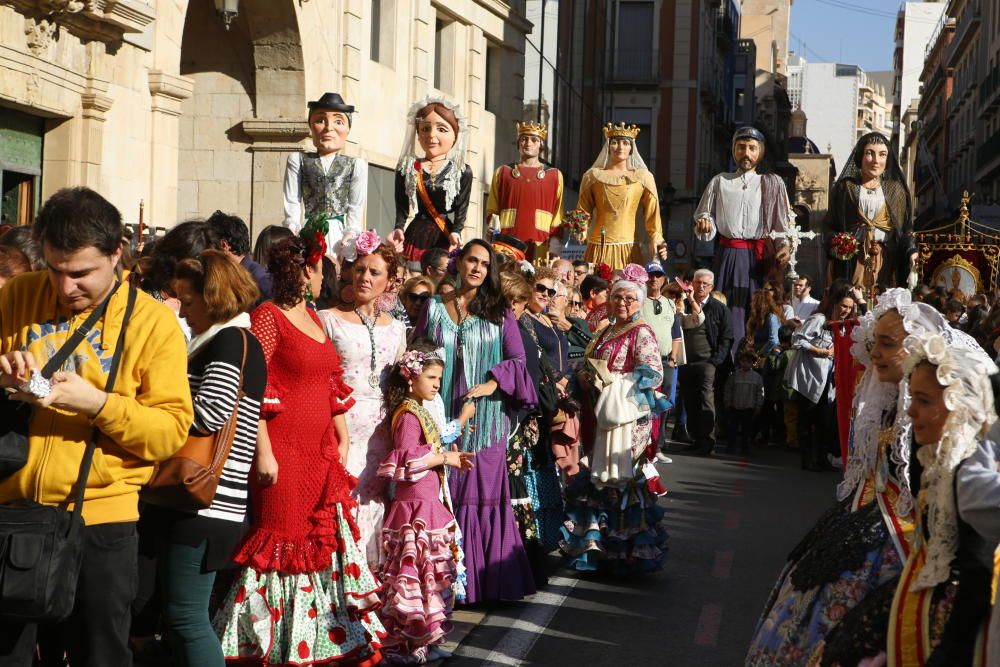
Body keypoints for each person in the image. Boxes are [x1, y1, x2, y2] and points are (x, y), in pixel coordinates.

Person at [0, 187, 193, 665]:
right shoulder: (16, 296)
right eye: (54, 270)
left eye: (81, 273)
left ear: (116, 254)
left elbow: (169, 431)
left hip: (103, 522)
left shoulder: (152, 323)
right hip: (14, 512)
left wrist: (99, 405)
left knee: (99, 656)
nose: (65, 287)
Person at [745, 288, 974, 666]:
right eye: (873, 343)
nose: (875, 353)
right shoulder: (886, 406)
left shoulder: (942, 419)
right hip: (865, 527)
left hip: (903, 554)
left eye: (887, 344)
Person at [214, 232, 384, 664]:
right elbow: (253, 385)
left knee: (315, 545)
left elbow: (329, 380)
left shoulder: (312, 315)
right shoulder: (268, 317)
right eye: (323, 265)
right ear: (307, 270)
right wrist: (263, 451)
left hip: (320, 454)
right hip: (284, 455)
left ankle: (309, 648)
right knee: (281, 548)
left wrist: (342, 432)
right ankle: (272, 651)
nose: (328, 272)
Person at [819, 333, 997, 667]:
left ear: (962, 407)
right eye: (912, 398)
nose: (911, 410)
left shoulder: (971, 481)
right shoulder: (940, 464)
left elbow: (977, 580)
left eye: (925, 401)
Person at [139, 249, 265, 666]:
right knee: (182, 619)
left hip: (203, 500)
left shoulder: (230, 340)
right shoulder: (232, 338)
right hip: (208, 503)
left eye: (188, 301)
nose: (184, 311)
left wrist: (155, 395)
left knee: (187, 619)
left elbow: (210, 412)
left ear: (213, 298)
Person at [411, 239, 538, 603]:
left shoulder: (499, 312)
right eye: (472, 260)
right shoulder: (434, 307)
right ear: (459, 263)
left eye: (485, 264)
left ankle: (486, 583)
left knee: (481, 494)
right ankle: (445, 582)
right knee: (445, 493)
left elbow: (518, 360)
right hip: (441, 416)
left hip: (487, 422)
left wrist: (492, 382)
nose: (478, 268)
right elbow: (416, 352)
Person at [561, 272, 669, 574]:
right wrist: (584, 375)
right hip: (600, 415)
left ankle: (626, 553)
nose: (622, 302)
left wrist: (615, 382)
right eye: (618, 297)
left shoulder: (641, 332)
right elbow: (588, 361)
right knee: (599, 477)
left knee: (622, 478)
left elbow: (653, 373)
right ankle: (600, 548)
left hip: (626, 421)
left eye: (629, 298)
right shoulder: (606, 330)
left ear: (639, 303)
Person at [378, 344, 475, 665]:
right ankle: (405, 646)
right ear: (411, 378)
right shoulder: (407, 414)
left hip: (427, 504)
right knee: (413, 578)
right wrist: (445, 456)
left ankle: (428, 640)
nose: (437, 384)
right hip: (413, 510)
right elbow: (408, 461)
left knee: (429, 576)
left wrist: (448, 458)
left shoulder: (418, 409)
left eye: (438, 378)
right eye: (431, 377)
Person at [318, 230, 407, 566]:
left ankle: (372, 588)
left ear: (388, 281)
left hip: (380, 430)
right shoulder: (328, 319)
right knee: (341, 499)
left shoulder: (397, 328)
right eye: (359, 270)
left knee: (375, 498)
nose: (365, 277)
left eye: (374, 272)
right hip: (340, 424)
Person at [694, 126, 792, 350]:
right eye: (741, 147)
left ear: (761, 152)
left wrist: (784, 246)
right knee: (724, 305)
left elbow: (782, 225)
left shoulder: (772, 183)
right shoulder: (720, 181)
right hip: (727, 254)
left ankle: (755, 356)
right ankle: (724, 353)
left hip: (758, 259)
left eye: (751, 148)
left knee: (759, 308)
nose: (746, 152)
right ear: (733, 150)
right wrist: (704, 222)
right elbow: (703, 214)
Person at [390, 97, 473, 270]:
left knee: (441, 278)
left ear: (454, 136)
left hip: (444, 236)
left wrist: (457, 231)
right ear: (418, 134)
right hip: (415, 234)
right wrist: (398, 227)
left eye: (442, 129)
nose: (432, 135)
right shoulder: (408, 168)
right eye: (425, 129)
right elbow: (402, 206)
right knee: (412, 277)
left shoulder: (461, 171)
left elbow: (462, 209)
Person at [826, 131, 916, 292]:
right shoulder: (846, 188)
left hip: (886, 259)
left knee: (882, 298)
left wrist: (911, 250)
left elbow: (905, 229)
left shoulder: (896, 190)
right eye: (870, 153)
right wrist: (838, 241)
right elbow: (830, 224)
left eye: (882, 155)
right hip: (853, 259)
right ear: (860, 156)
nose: (876, 161)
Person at [282, 92, 367, 254]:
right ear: (311, 126)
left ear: (348, 129)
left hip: (339, 234)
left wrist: (351, 233)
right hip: (309, 231)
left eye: (338, 121)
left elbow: (355, 206)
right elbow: (292, 199)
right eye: (320, 120)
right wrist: (292, 227)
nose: (329, 128)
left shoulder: (356, 165)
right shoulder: (298, 160)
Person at [575, 123, 666, 269]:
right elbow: (583, 209)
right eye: (615, 142)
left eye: (625, 143)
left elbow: (652, 213)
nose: (620, 147)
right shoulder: (592, 176)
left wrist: (656, 236)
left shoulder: (643, 177)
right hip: (599, 246)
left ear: (631, 148)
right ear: (608, 146)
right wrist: (581, 228)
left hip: (628, 248)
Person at [785, 283, 855, 471]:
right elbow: (797, 340)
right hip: (810, 375)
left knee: (824, 420)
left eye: (849, 308)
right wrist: (820, 350)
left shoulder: (842, 325)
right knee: (807, 418)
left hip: (828, 379)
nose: (846, 311)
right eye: (843, 306)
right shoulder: (818, 319)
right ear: (834, 304)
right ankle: (807, 459)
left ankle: (822, 457)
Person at [485, 121, 564, 261]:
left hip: (540, 244)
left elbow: (557, 214)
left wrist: (555, 245)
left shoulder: (554, 176)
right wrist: (493, 230)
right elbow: (493, 209)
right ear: (518, 143)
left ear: (541, 144)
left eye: (534, 139)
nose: (528, 143)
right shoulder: (503, 172)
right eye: (524, 139)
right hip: (507, 243)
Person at [678, 269, 733, 455]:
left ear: (711, 287)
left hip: (707, 362)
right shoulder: (683, 305)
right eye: (698, 282)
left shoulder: (719, 309)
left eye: (705, 284)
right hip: (685, 361)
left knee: (706, 401)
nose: (700, 286)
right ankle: (696, 437)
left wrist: (715, 361)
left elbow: (727, 337)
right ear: (691, 283)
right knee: (689, 400)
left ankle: (708, 442)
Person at [206, 210, 271, 302]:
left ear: (224, 245)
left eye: (208, 245)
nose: (205, 252)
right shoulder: (223, 277)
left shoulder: (261, 279)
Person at [724, 350, 764, 454]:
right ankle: (730, 447)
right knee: (732, 429)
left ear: (752, 363)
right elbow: (728, 390)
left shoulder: (757, 377)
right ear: (740, 361)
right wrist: (728, 402)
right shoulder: (734, 375)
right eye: (743, 361)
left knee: (746, 431)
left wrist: (758, 406)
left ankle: (745, 448)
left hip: (749, 408)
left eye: (748, 361)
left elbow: (760, 392)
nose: (745, 364)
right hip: (735, 406)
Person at [746, 287, 784, 358]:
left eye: (754, 301)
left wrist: (759, 353)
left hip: (769, 355)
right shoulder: (758, 317)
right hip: (758, 353)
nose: (751, 303)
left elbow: (773, 340)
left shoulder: (771, 317)